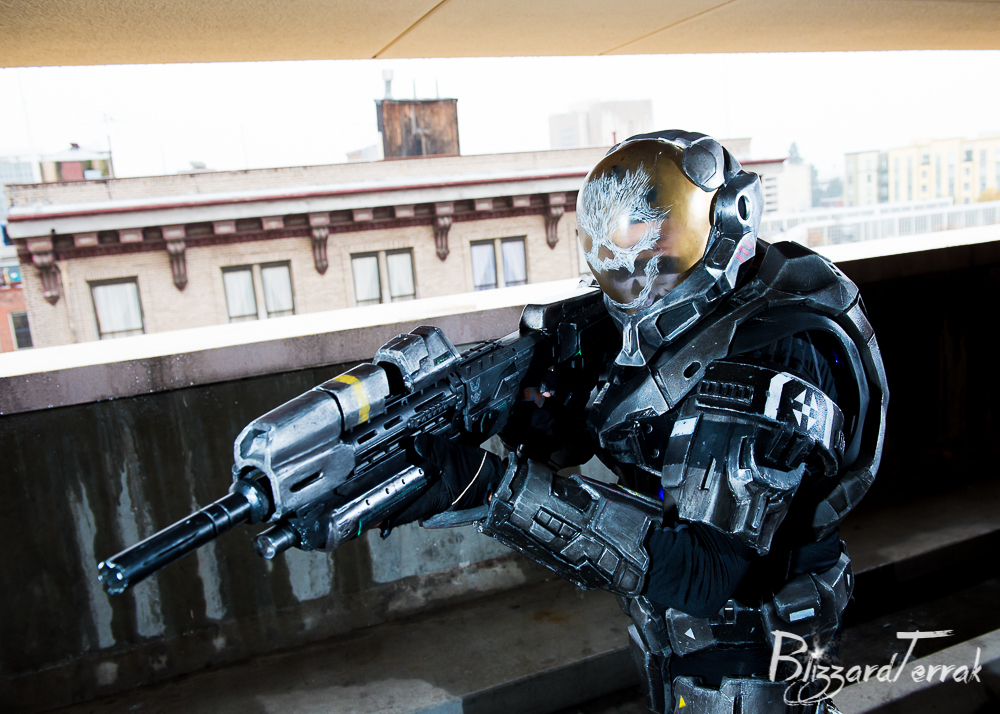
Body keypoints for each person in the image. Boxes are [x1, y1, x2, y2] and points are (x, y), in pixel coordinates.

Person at [396, 130, 888, 714]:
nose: (640, 276)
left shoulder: (773, 349)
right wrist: (505, 404)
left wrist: (487, 488)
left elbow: (706, 570)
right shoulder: (657, 320)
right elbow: (574, 439)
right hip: (673, 631)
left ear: (724, 220)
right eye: (621, 257)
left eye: (659, 247)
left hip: (754, 639)